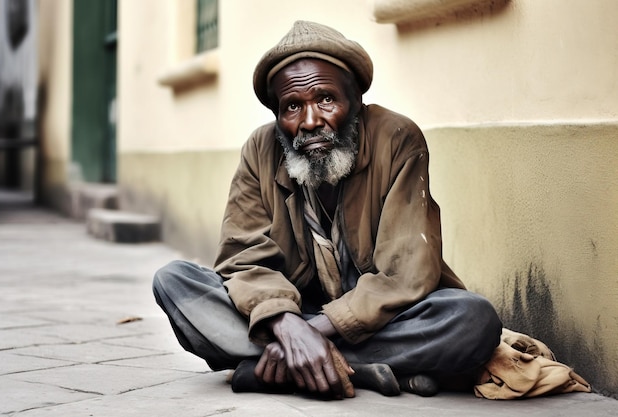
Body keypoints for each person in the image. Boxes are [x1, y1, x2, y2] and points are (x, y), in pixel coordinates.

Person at [153, 20, 502, 400]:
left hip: (378, 318)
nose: (310, 121)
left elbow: (406, 273)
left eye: (325, 100)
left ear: (355, 100)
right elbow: (241, 260)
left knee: (473, 320)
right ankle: (366, 370)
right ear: (277, 116)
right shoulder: (260, 149)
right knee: (174, 281)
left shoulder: (398, 138)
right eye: (292, 107)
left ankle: (280, 367)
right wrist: (288, 325)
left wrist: (313, 333)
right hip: (291, 312)